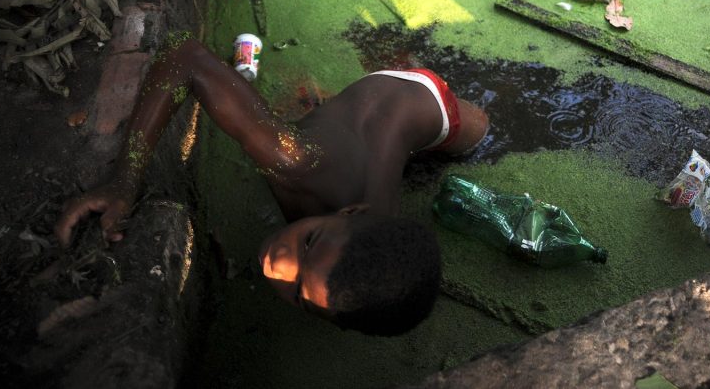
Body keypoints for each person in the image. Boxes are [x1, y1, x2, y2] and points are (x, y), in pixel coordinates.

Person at [54, 37, 490, 336]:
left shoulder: (373, 241)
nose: (275, 263)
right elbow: (184, 53)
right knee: (479, 131)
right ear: (351, 213)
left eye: (299, 293)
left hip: (407, 127)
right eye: (308, 241)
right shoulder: (296, 160)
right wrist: (125, 180)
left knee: (457, 145)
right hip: (423, 96)